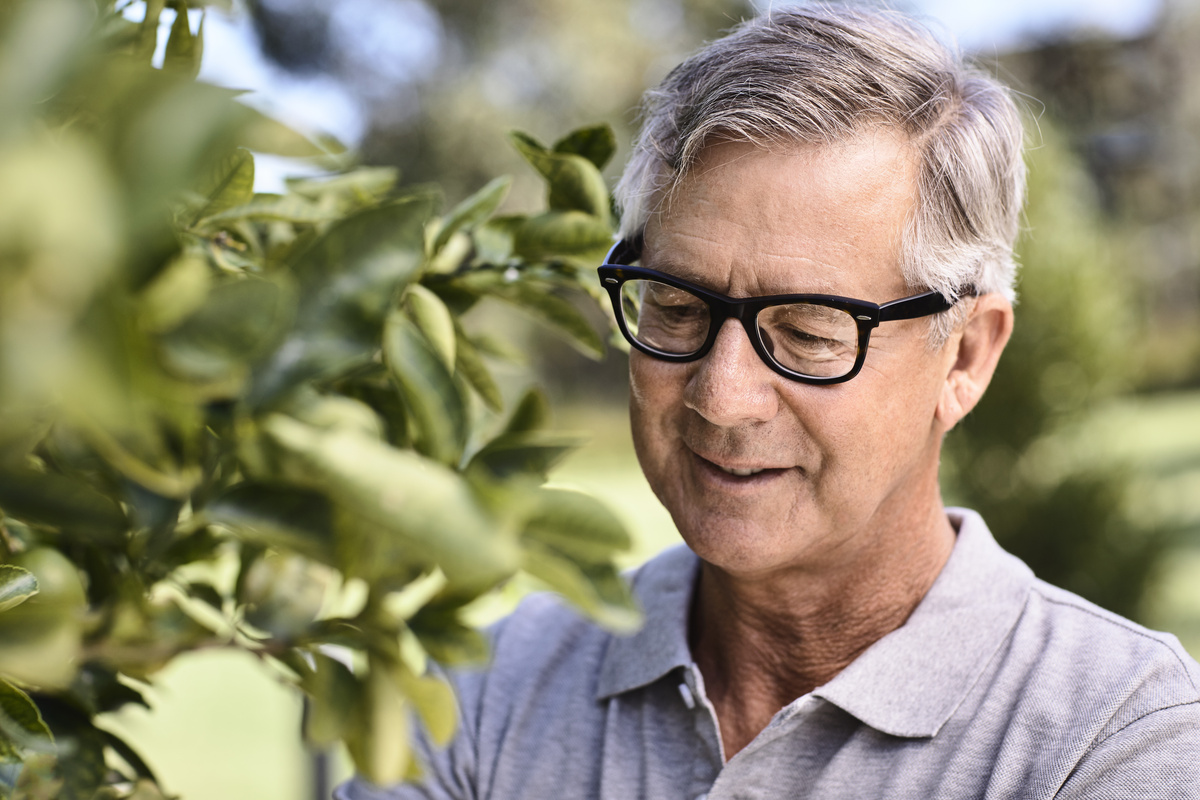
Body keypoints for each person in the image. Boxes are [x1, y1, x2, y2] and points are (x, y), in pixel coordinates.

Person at [339, 5, 1200, 798]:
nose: (723, 396)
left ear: (965, 356)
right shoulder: (485, 694)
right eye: (676, 308)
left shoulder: (1115, 736)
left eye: (809, 333)